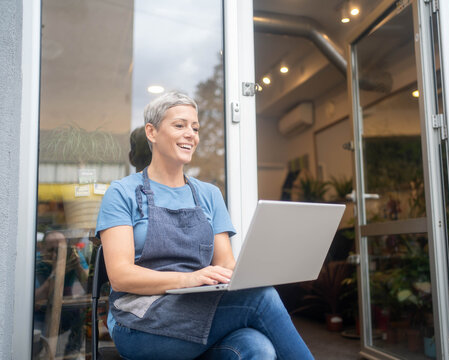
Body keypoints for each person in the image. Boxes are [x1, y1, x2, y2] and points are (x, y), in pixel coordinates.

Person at [95, 91, 313, 360]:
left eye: (195, 128)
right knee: (261, 298)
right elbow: (120, 275)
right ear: (151, 132)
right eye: (180, 125)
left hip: (198, 309)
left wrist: (257, 269)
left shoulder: (209, 195)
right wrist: (188, 279)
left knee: (258, 347)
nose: (191, 134)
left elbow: (225, 264)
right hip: (139, 319)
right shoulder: (122, 192)